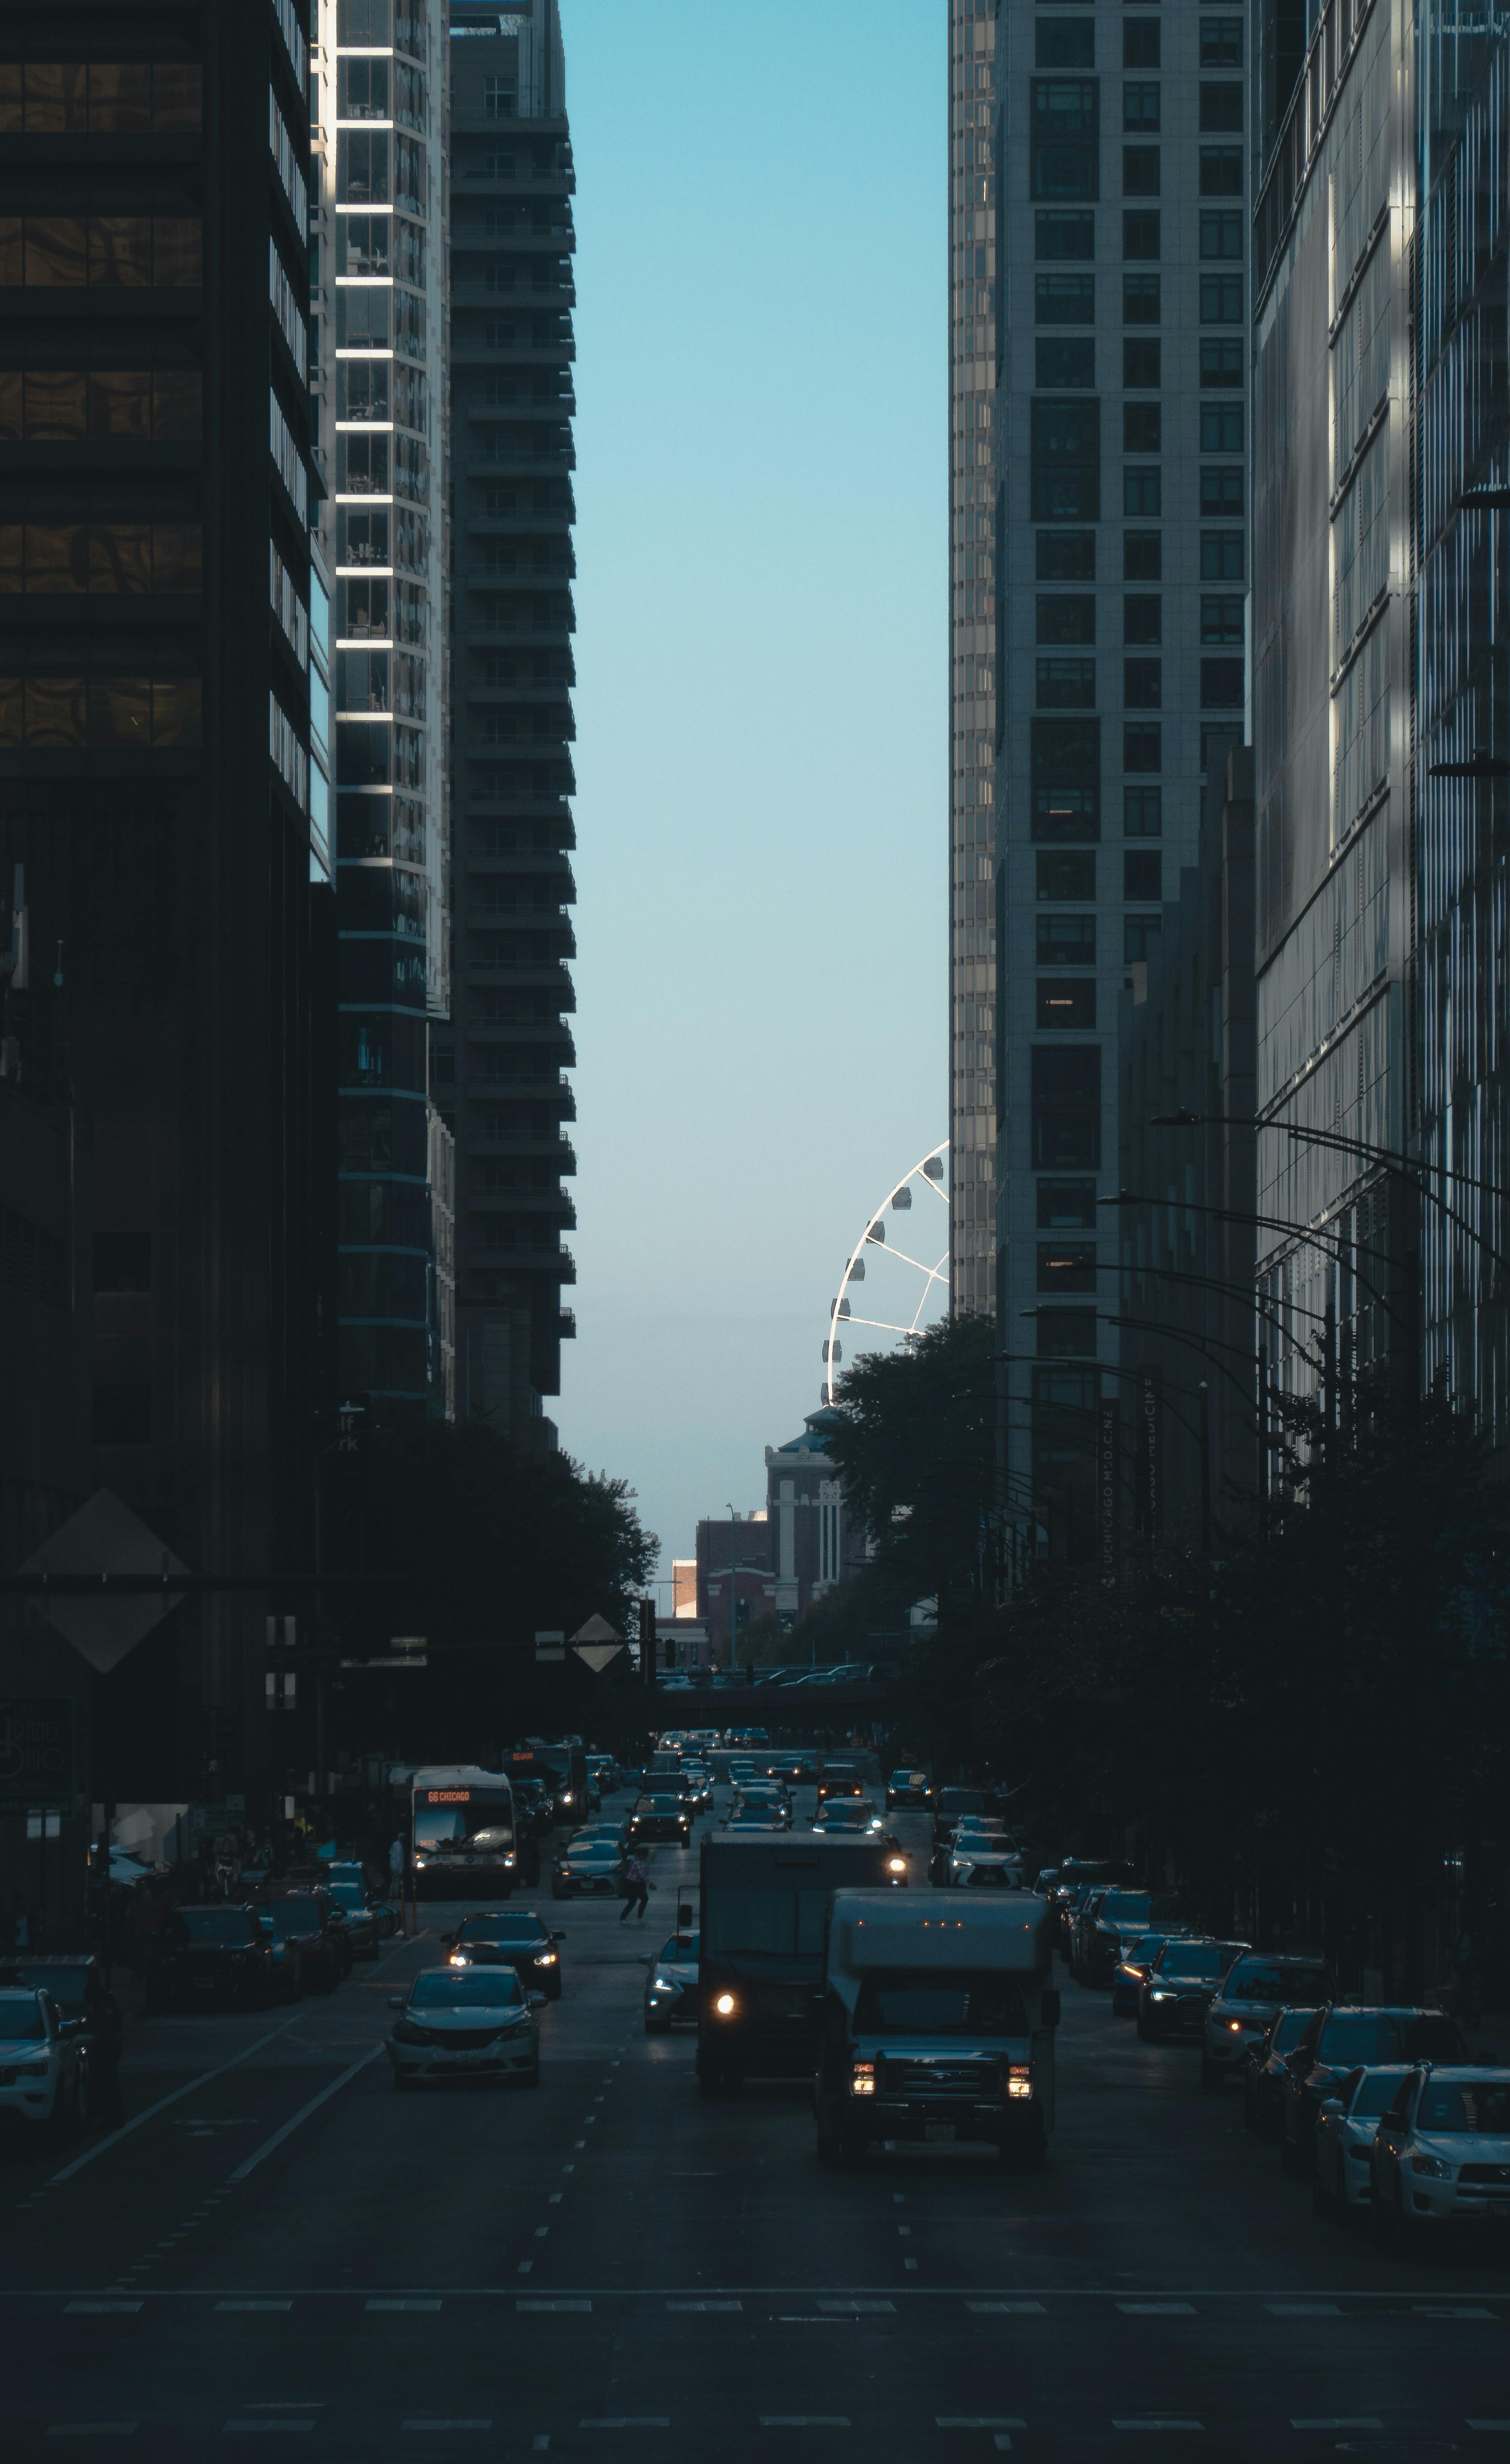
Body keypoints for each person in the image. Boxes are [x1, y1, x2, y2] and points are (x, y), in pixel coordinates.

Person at [619, 1851, 650, 1923]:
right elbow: (643, 1875)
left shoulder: (633, 1861)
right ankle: (639, 1918)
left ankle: (623, 1918)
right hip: (634, 1884)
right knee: (645, 1899)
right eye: (646, 1856)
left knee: (632, 1902)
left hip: (629, 1883)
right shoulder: (638, 1863)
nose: (646, 1858)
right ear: (642, 1855)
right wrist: (650, 1884)